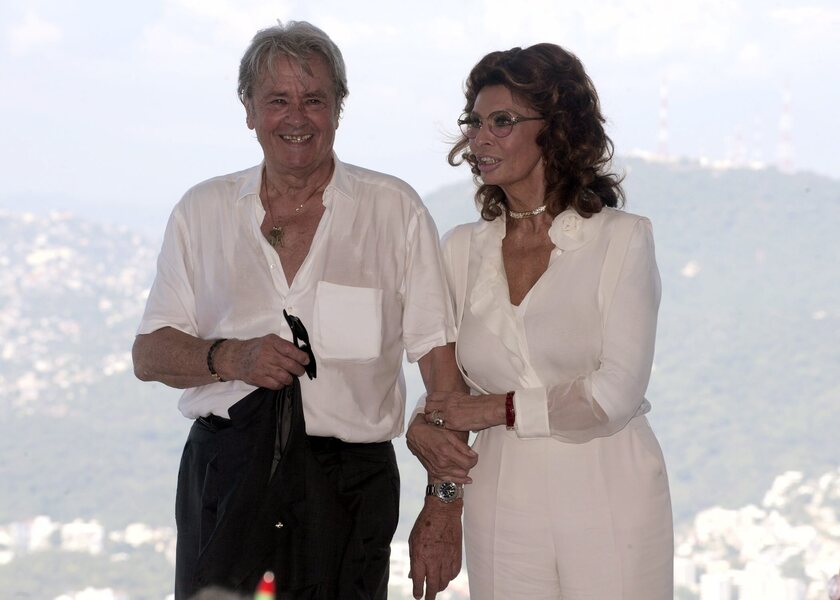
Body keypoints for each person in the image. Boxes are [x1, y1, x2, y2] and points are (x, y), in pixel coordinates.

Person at [131, 21, 464, 600]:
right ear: (249, 110)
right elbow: (149, 353)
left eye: (314, 100)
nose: (297, 117)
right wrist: (230, 357)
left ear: (339, 108)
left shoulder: (395, 211)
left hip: (349, 488)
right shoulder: (201, 211)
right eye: (277, 100)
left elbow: (444, 379)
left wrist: (443, 508)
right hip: (226, 478)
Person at [406, 43, 674, 599]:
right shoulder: (458, 251)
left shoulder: (622, 239)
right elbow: (446, 387)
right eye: (474, 122)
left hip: (612, 492)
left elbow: (615, 394)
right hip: (501, 496)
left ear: (556, 129)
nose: (480, 138)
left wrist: (492, 408)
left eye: (502, 121)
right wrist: (423, 427)